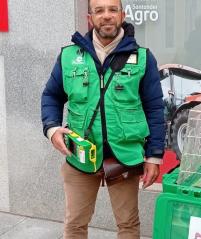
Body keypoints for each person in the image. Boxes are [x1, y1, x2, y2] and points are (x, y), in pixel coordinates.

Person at [40, 0, 165, 238]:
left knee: (128, 225)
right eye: (99, 10)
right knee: (75, 225)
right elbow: (51, 96)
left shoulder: (143, 58)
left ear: (122, 14)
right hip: (80, 156)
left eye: (112, 9)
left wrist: (154, 156)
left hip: (124, 156)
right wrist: (52, 128)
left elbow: (155, 109)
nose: (106, 16)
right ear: (90, 17)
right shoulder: (69, 56)